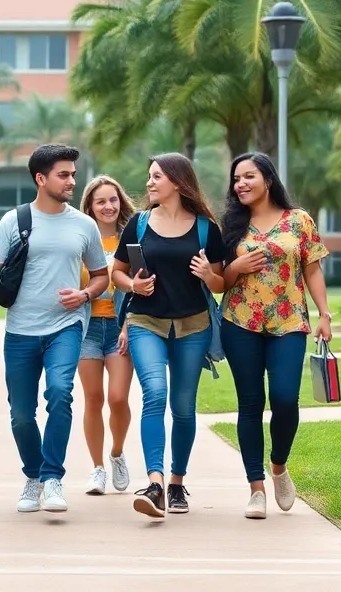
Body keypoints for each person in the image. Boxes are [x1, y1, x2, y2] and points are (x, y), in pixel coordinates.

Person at [0, 144, 109, 514]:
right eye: (63, 175)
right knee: (21, 413)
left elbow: (101, 276)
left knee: (59, 393)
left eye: (72, 173)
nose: (72, 181)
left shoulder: (84, 225)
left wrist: (85, 294)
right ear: (41, 178)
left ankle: (52, 477)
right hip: (20, 330)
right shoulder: (14, 220)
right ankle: (33, 476)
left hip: (66, 327)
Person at [219, 152, 333, 520]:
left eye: (248, 176)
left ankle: (279, 466)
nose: (240, 184)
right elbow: (221, 280)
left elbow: (312, 270)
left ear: (267, 179)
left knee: (285, 398)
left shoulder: (299, 221)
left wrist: (324, 314)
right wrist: (235, 266)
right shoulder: (231, 225)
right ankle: (256, 488)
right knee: (250, 404)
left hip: (288, 323)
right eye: (236, 178)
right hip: (240, 323)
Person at [112, 153, 225, 518]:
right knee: (155, 395)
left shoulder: (207, 228)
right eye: (149, 176)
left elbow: (222, 282)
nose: (149, 183)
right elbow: (117, 273)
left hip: (193, 326)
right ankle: (156, 483)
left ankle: (177, 483)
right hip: (146, 322)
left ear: (176, 181)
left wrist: (209, 275)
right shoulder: (139, 225)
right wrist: (134, 285)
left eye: (156, 176)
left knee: (183, 407)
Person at [76, 175, 136, 496]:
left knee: (118, 398)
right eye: (101, 201)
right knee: (94, 399)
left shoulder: (133, 238)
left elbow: (139, 285)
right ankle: (97, 468)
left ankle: (117, 453)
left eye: (113, 200)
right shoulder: (80, 240)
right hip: (87, 329)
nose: (108, 206)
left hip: (120, 327)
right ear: (90, 206)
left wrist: (129, 323)